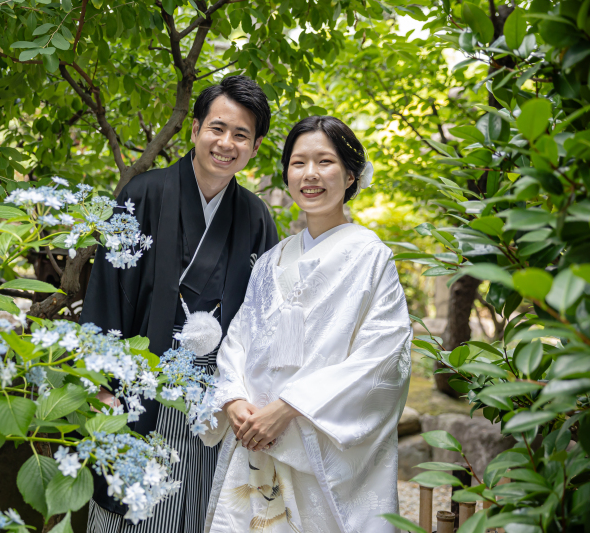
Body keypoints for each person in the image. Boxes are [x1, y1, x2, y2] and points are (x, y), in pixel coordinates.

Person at [81, 75, 280, 532]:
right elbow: (106, 292)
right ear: (195, 130)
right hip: (138, 387)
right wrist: (101, 385)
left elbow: (265, 319)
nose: (226, 143)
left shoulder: (255, 217)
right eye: (217, 128)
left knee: (196, 510)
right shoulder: (141, 195)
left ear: (255, 146)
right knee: (129, 507)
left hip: (214, 401)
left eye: (241, 135)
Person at [201, 116, 412, 533]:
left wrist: (289, 407)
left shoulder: (371, 258)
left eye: (325, 162)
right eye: (298, 163)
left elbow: (383, 358)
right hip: (253, 435)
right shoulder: (271, 261)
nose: (310, 175)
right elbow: (238, 341)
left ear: (350, 175)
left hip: (315, 441)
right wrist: (234, 400)